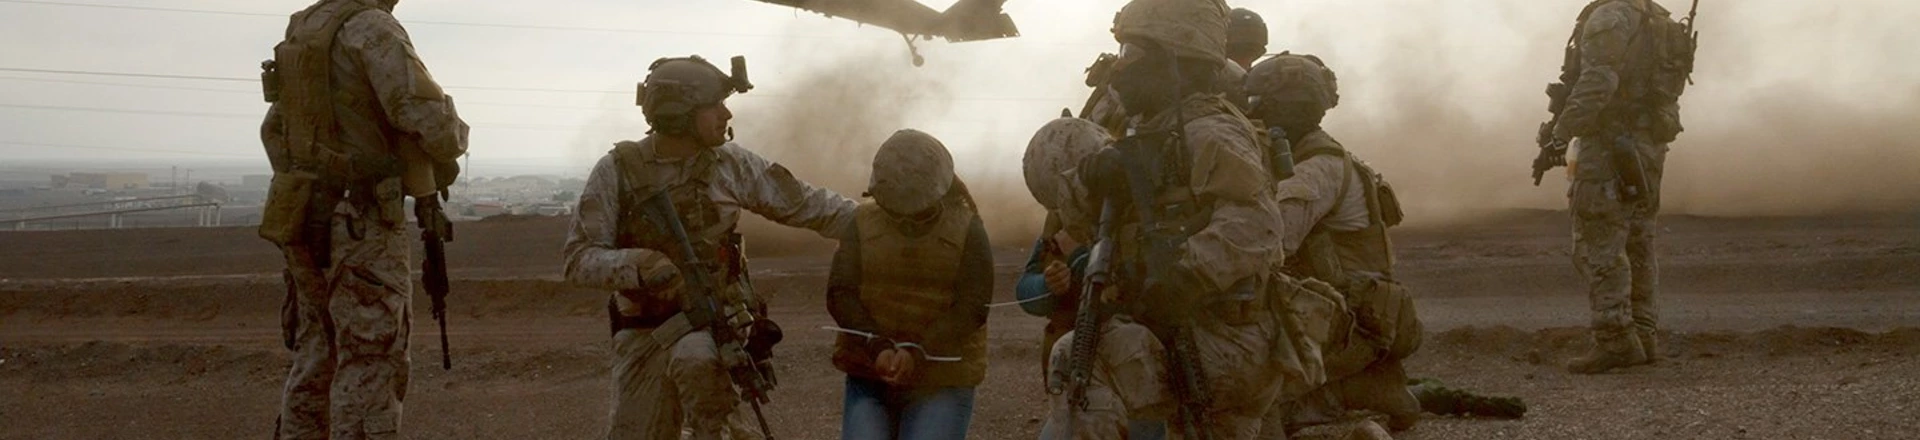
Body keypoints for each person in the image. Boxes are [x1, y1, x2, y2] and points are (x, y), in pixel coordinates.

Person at [1038, 0, 1318, 437]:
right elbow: (1081, 226)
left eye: (1134, 54)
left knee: (1081, 359)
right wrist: (1089, 180)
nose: (1122, 68)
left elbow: (1258, 225)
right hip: (1188, 332)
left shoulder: (1211, 132)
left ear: (1174, 60)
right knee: (1080, 358)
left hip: (1225, 338)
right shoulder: (1152, 128)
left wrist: (1182, 273)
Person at [563, 55, 858, 440]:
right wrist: (641, 266)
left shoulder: (730, 164)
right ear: (679, 112)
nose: (727, 112)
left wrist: (878, 221)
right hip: (643, 333)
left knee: (701, 374)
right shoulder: (618, 170)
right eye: (715, 105)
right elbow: (578, 260)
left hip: (713, 327)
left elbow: (807, 205)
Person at [258, 0, 467, 438]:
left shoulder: (306, 25)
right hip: (360, 224)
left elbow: (275, 130)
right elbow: (431, 122)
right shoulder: (372, 28)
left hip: (303, 216)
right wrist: (454, 136)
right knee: (371, 359)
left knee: (317, 352)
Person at [1243, 53, 1416, 438]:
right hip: (1354, 315)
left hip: (1346, 322)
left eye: (1257, 103)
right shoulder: (1322, 157)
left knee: (1241, 396)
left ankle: (1354, 407)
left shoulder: (1316, 168)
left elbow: (1269, 244)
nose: (1251, 112)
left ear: (1283, 107)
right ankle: (1374, 389)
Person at [1548, 0, 1695, 375]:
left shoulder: (1610, 16)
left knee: (1600, 241)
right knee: (1638, 240)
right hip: (1647, 145)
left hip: (1611, 146)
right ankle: (1644, 337)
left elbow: (1598, 82)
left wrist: (1559, 135)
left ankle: (1615, 340)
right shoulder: (1657, 18)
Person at [827, 129, 993, 440]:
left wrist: (918, 351)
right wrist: (876, 347)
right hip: (871, 373)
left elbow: (972, 306)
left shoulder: (968, 229)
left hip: (942, 379)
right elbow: (841, 293)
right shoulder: (861, 223)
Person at [1017, 117, 1168, 440]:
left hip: (1139, 371)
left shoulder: (1143, 211)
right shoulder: (1058, 223)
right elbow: (1025, 289)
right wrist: (1049, 285)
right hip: (1081, 371)